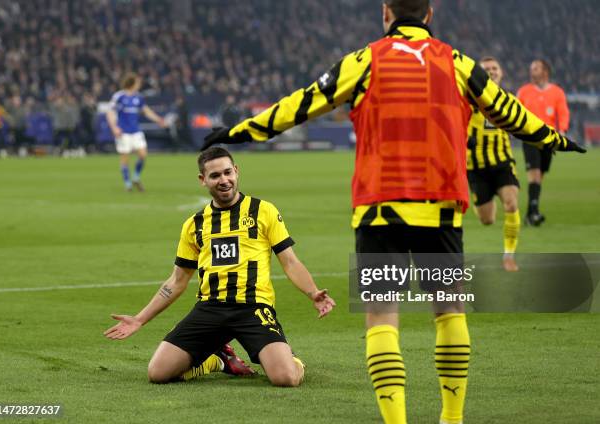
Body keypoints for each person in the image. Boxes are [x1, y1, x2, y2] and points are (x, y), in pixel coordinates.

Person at [201, 1, 585, 422]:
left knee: (382, 315)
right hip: (440, 210)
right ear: (429, 15)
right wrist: (557, 139)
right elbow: (511, 114)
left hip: (378, 211)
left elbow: (302, 103)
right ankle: (452, 418)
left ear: (386, 13)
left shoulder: (364, 60)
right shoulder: (458, 63)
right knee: (449, 310)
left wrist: (238, 132)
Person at [104, 147, 335, 387]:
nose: (224, 180)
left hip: (253, 307)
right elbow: (177, 280)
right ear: (203, 180)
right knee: (158, 373)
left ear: (236, 171)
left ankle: (291, 358)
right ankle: (217, 360)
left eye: (228, 173)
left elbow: (290, 261)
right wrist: (140, 319)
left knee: (286, 378)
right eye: (215, 176)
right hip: (210, 308)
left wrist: (313, 293)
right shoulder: (194, 225)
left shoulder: (263, 211)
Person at [466, 57, 521, 272]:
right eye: (486, 69)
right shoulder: (468, 101)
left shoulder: (509, 100)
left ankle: (509, 256)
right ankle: (485, 199)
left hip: (502, 163)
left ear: (502, 73)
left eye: (494, 68)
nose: (491, 71)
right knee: (487, 219)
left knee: (511, 204)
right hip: (476, 167)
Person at [517, 60, 570, 226]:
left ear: (545, 71)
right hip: (530, 137)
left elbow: (563, 113)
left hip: (548, 139)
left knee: (540, 176)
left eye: (535, 68)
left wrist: (562, 130)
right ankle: (534, 213)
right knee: (534, 173)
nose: (532, 71)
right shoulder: (524, 91)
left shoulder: (557, 92)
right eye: (531, 68)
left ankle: (531, 212)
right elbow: (517, 111)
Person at [106, 73, 167, 192]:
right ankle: (127, 184)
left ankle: (136, 177)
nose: (139, 84)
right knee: (125, 158)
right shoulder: (119, 96)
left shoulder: (138, 97)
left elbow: (146, 111)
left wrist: (158, 119)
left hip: (136, 131)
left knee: (143, 155)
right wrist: (114, 127)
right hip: (123, 132)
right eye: (137, 82)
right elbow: (110, 112)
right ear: (132, 83)